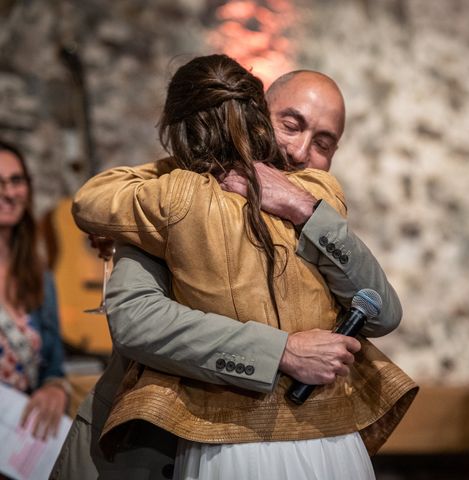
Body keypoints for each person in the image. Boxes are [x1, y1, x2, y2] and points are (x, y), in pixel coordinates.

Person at [52, 56, 416, 479]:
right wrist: (282, 350)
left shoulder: (317, 204)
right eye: (291, 125)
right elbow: (138, 320)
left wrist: (302, 209)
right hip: (162, 443)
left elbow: (383, 311)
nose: (300, 152)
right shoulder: (169, 195)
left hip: (310, 435)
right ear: (256, 117)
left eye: (323, 143)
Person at [0, 140, 68, 442]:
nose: (8, 192)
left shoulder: (40, 275)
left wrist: (54, 387)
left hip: (20, 441)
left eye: (16, 181)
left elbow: (53, 364)